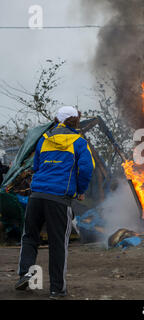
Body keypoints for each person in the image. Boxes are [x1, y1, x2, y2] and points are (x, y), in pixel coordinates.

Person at [15, 106, 95, 299]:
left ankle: (25, 273)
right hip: (59, 199)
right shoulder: (79, 142)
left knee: (29, 237)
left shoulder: (44, 139)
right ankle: (57, 289)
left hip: (36, 196)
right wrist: (80, 191)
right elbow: (86, 168)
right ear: (75, 121)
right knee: (58, 243)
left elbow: (36, 166)